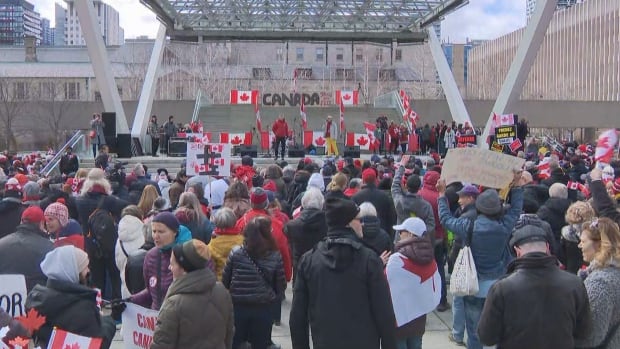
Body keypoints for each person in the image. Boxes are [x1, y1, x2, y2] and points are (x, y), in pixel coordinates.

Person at [290, 197, 397, 349]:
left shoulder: (309, 260)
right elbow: (384, 313)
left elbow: (297, 317)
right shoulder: (369, 260)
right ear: (348, 223)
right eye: (359, 220)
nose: (363, 224)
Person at [437, 172, 525, 349]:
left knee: (475, 331)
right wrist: (516, 187)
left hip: (475, 286)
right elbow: (516, 210)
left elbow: (446, 219)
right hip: (499, 285)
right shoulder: (504, 226)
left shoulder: (468, 226)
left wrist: (441, 196)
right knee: (497, 330)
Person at [478, 225, 592, 349]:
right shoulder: (575, 284)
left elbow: (487, 337)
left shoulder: (501, 288)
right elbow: (584, 333)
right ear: (547, 248)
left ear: (518, 251)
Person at [26, 246, 116, 349]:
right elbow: (97, 344)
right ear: (74, 272)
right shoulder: (82, 308)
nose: (88, 271)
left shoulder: (37, 299)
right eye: (85, 267)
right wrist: (109, 321)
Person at [152, 239, 234, 349]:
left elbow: (161, 345)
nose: (169, 268)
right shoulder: (222, 291)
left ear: (184, 269)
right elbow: (229, 333)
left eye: (172, 264)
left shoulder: (173, 304)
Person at [222, 217, 286, 349]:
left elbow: (225, 281)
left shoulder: (236, 253)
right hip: (263, 308)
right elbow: (280, 286)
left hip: (238, 307)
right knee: (261, 343)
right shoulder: (275, 256)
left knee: (236, 342)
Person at [387, 217, 440, 349]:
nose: (399, 234)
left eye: (402, 231)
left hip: (398, 321)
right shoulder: (431, 260)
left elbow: (385, 286)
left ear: (410, 234)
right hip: (419, 320)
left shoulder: (396, 260)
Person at [76, 168, 127, 301]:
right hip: (110, 243)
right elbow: (128, 207)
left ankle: (97, 307)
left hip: (90, 244)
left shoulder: (80, 201)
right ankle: (117, 309)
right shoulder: (110, 200)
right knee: (115, 277)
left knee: (96, 280)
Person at [129, 212, 192, 310]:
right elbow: (151, 292)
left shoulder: (192, 254)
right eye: (154, 231)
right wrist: (129, 301)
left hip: (182, 318)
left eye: (161, 232)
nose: (156, 236)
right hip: (157, 319)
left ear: (175, 232)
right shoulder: (151, 256)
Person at [576, 217, 620, 348]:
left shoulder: (600, 282)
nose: (579, 245)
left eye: (583, 241)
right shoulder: (615, 272)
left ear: (600, 245)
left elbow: (592, 336)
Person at [448, 184, 479, 346]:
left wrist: (452, 261)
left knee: (459, 299)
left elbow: (458, 241)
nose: (459, 200)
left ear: (472, 198)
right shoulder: (472, 213)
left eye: (462, 197)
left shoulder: (467, 217)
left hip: (464, 263)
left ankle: (458, 334)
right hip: (473, 264)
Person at [0, 206, 53, 292]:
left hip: (5, 299)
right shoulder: (50, 248)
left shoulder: (2, 243)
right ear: (41, 224)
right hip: (37, 300)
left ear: (21, 222)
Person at [284, 187, 327, 280]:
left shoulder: (292, 225)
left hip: (300, 267)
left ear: (303, 204)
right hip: (322, 268)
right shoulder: (328, 224)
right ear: (321, 204)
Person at [391, 156, 435, 237]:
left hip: (401, 239)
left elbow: (395, 186)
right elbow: (431, 225)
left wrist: (401, 166)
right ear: (419, 187)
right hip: (419, 242)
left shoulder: (399, 201)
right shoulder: (426, 205)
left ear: (406, 185)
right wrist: (419, 235)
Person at [353, 168, 397, 240]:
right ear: (375, 180)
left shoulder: (356, 197)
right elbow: (391, 219)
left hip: (361, 237)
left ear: (363, 180)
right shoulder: (384, 196)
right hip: (382, 236)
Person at [114, 205, 145, 299]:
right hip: (142, 283)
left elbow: (118, 263)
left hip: (126, 282)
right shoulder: (144, 232)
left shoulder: (120, 238)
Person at [208, 207, 244, 280]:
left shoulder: (212, 244)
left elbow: (211, 268)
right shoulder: (243, 241)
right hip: (239, 281)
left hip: (221, 282)